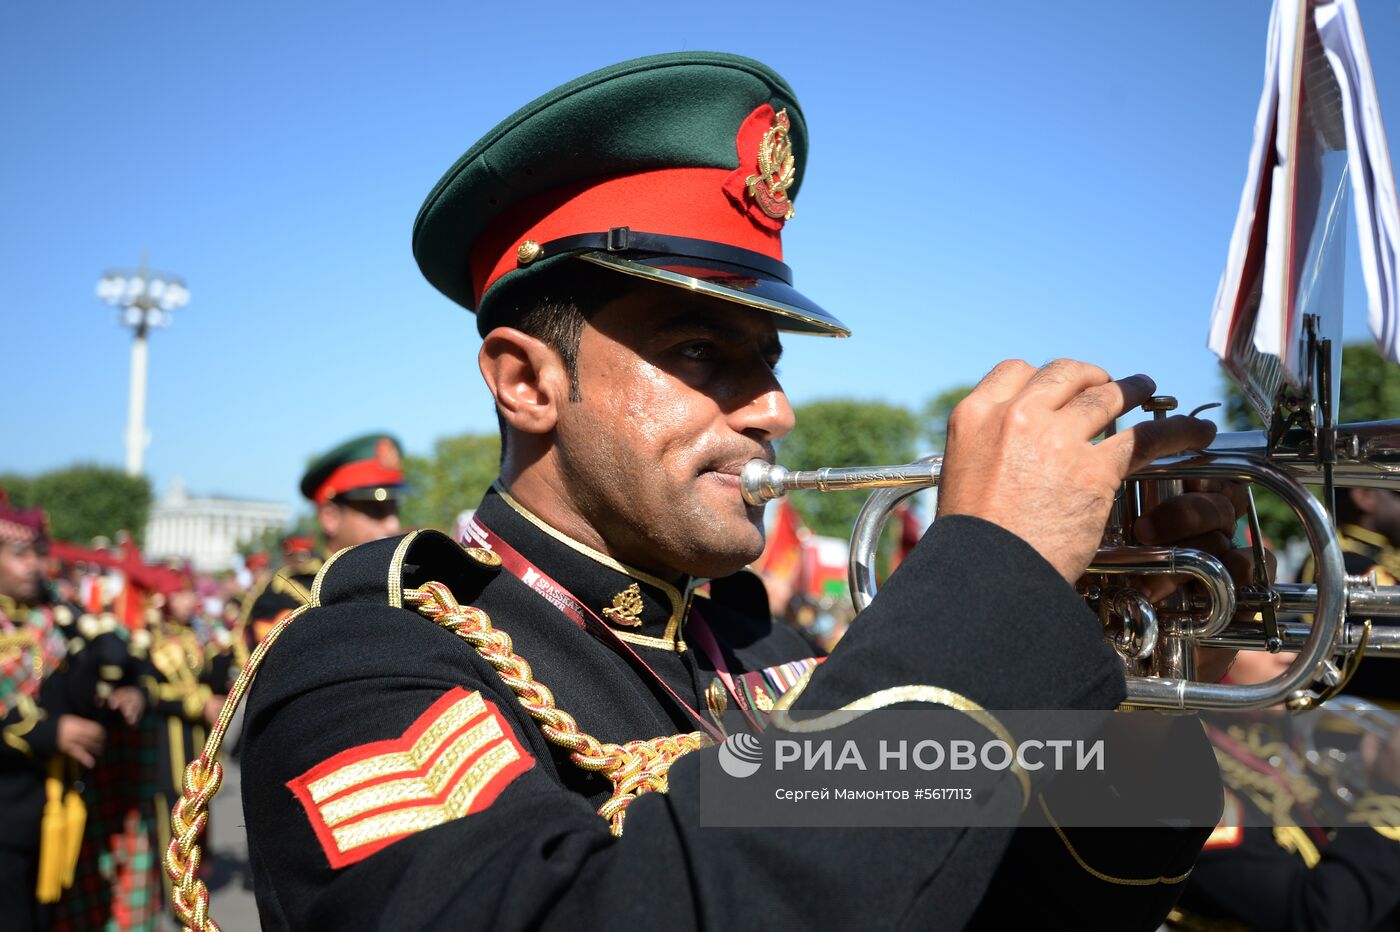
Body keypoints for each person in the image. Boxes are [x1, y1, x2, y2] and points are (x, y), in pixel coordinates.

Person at [199, 53, 1261, 931]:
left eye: (772, 362)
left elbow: (1037, 896)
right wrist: (989, 579)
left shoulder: (756, 643)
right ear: (527, 381)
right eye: (703, 351)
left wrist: (1105, 642)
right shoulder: (368, 661)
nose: (774, 411)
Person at [1170, 649, 1400, 930]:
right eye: (1256, 639)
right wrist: (1390, 795)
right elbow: (1316, 917)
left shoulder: (1284, 729)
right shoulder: (1174, 771)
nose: (1291, 655)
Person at [0, 495, 141, 927]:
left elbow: (120, 660)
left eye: (38, 554)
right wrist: (49, 733)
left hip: (58, 808)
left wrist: (130, 690)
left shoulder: (63, 615)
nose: (33, 566)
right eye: (19, 554)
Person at [235, 433, 405, 668]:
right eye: (376, 511)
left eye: (394, 509)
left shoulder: (404, 581)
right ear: (330, 517)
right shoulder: (288, 592)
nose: (393, 525)